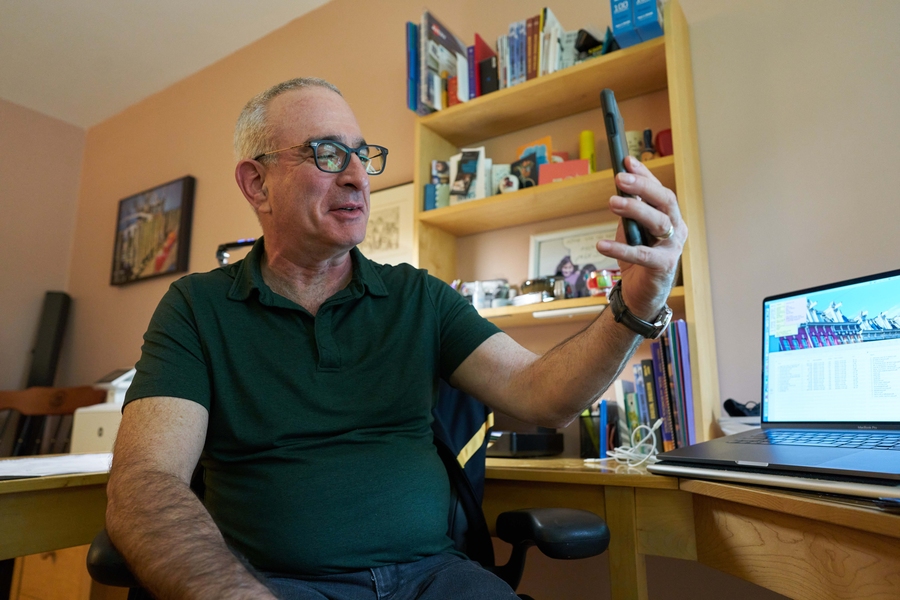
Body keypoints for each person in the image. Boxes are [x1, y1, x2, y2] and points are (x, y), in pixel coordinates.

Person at [105, 77, 686, 600]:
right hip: (273, 586)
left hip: (437, 579)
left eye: (362, 156)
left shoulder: (420, 298)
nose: (358, 175)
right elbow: (145, 481)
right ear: (256, 183)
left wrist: (635, 303)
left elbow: (543, 395)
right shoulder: (196, 308)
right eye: (329, 154)